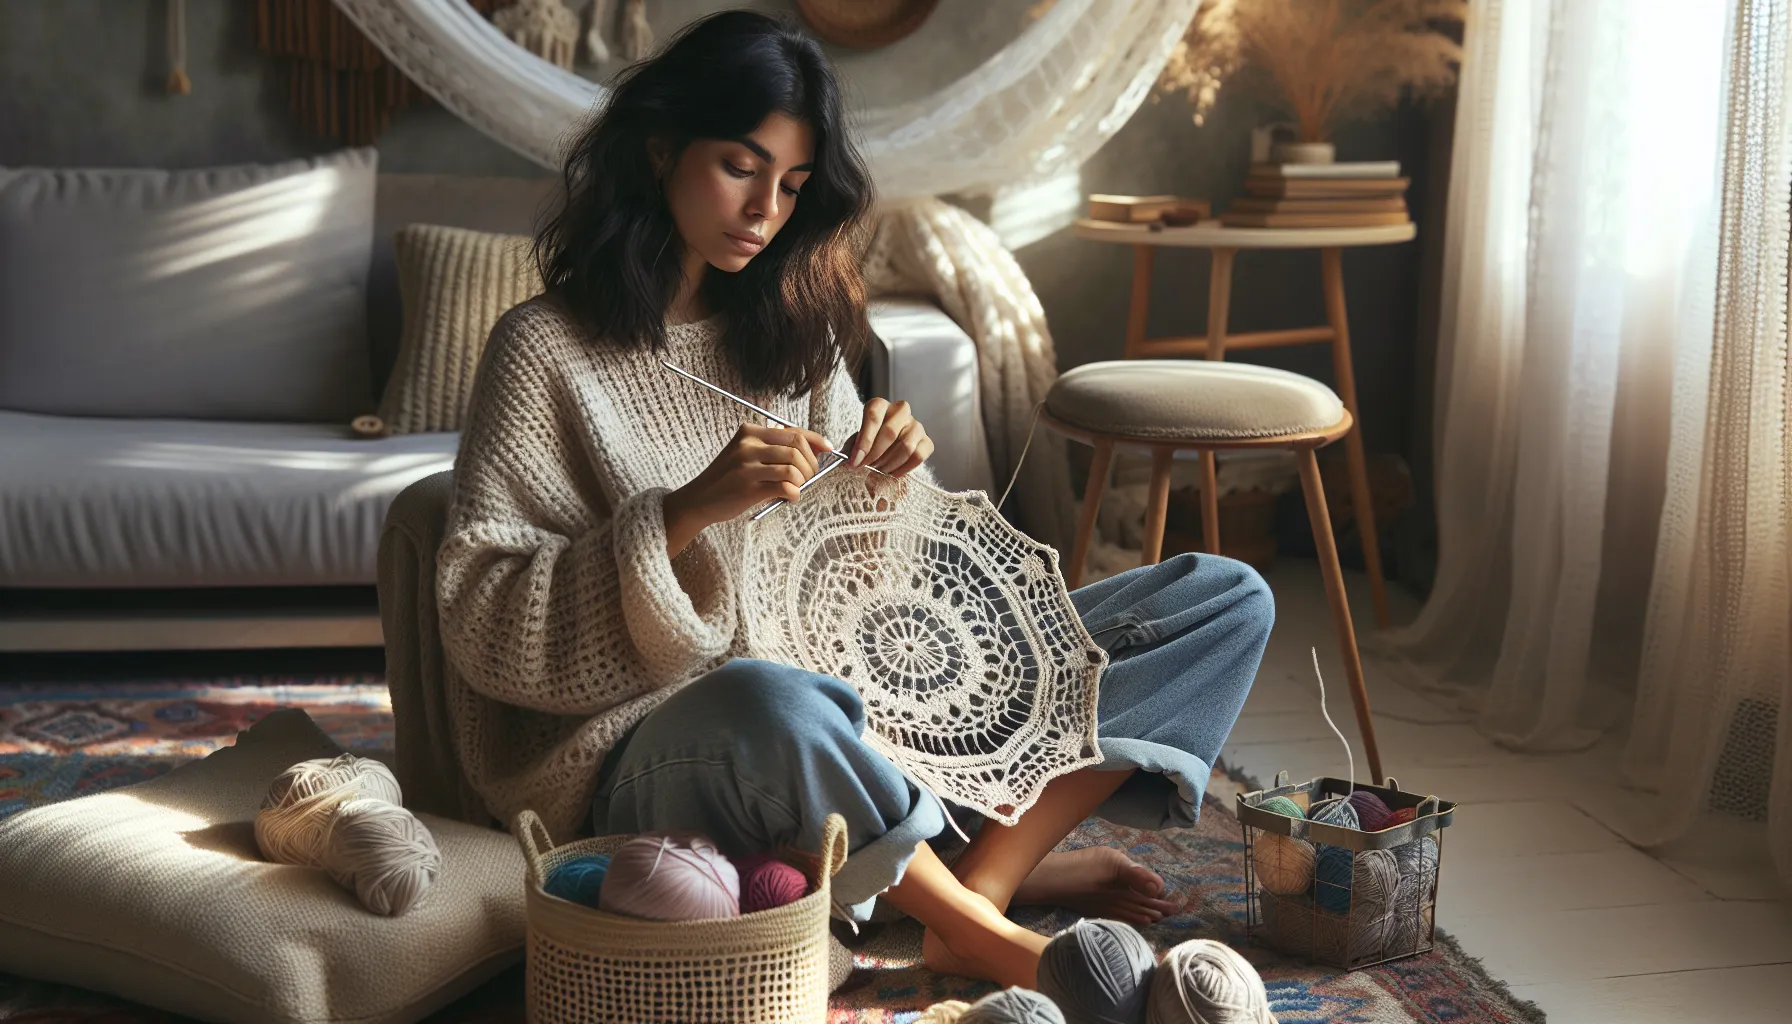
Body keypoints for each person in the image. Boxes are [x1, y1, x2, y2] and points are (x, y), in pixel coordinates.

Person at [437, 10, 1273, 990]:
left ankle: (974, 893)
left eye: (791, 185)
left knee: (1219, 599)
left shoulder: (794, 336)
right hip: (653, 751)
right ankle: (986, 930)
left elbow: (871, 604)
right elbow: (481, 618)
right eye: (739, 167)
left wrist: (890, 488)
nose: (764, 210)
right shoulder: (544, 350)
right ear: (660, 149)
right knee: (771, 699)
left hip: (845, 724)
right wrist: (682, 514)